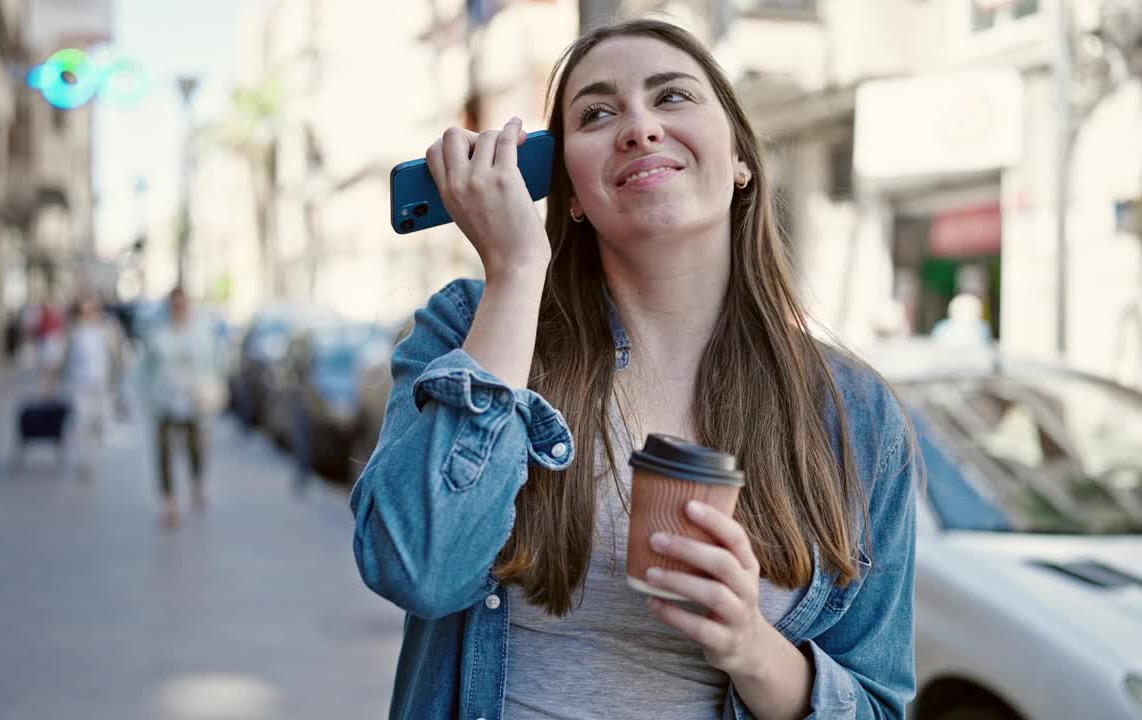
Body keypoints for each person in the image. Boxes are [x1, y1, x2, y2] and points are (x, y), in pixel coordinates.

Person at [351, 19, 920, 720]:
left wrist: (750, 646)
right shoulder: (474, 326)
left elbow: (879, 705)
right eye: (596, 113)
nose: (640, 128)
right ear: (572, 194)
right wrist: (517, 272)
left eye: (673, 96)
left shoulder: (857, 415)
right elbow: (419, 569)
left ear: (741, 159)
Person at [139, 287, 223, 528]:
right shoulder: (158, 334)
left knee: (196, 447)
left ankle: (197, 483)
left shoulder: (202, 334)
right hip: (164, 400)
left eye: (182, 305)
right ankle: (170, 502)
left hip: (194, 401)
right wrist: (143, 396)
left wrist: (216, 389)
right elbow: (145, 368)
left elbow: (216, 363)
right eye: (174, 306)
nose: (179, 310)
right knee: (164, 451)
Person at [56, 293, 126, 482]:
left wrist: (119, 378)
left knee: (101, 423)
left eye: (91, 308)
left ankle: (92, 452)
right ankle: (86, 461)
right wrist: (55, 378)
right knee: (81, 421)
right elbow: (64, 355)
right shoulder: (74, 330)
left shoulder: (109, 328)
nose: (88, 312)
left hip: (103, 384)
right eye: (84, 308)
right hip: (79, 384)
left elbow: (119, 354)